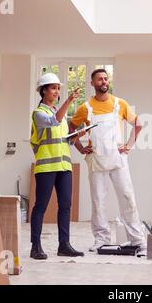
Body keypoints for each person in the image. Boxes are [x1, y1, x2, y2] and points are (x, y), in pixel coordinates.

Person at [69, 69, 146, 253]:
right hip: (96, 160)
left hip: (118, 160)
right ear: (92, 84)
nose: (104, 81)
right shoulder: (85, 108)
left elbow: (138, 123)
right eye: (100, 79)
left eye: (105, 78)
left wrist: (128, 145)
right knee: (98, 201)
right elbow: (70, 129)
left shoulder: (120, 104)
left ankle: (137, 240)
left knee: (127, 197)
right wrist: (81, 148)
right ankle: (101, 239)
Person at [30, 72, 86, 260]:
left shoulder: (57, 113)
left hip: (64, 166)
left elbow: (61, 139)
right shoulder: (39, 113)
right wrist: (70, 100)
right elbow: (54, 122)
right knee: (40, 207)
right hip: (46, 167)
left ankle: (64, 245)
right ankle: (35, 247)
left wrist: (74, 138)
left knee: (65, 206)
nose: (56, 91)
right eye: (53, 88)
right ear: (43, 90)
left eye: (58, 88)